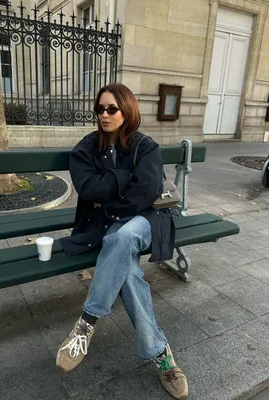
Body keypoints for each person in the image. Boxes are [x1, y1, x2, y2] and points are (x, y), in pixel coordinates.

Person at [57, 83, 188, 400]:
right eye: (99, 109)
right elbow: (88, 189)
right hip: (108, 227)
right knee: (127, 270)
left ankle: (87, 321)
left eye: (111, 109)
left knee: (125, 235)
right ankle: (161, 355)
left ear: (127, 110)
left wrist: (112, 202)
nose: (104, 114)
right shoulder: (86, 148)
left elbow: (146, 190)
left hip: (146, 222)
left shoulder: (146, 147)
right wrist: (122, 178)